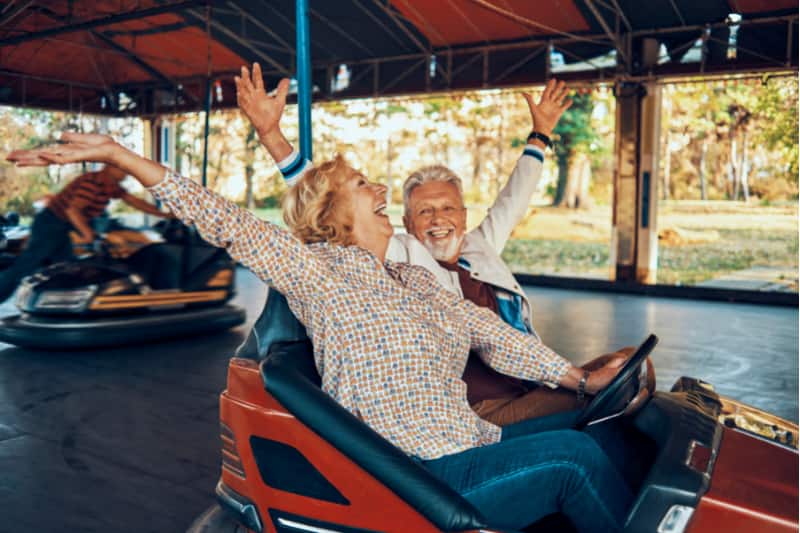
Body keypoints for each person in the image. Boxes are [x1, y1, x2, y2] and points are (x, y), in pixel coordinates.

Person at [8, 132, 633, 531]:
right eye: (365, 186)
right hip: (421, 477)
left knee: (606, 426)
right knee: (576, 459)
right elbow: (222, 220)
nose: (383, 189)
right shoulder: (318, 274)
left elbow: (491, 333)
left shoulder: (412, 280)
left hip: (473, 441)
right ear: (334, 215)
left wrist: (580, 377)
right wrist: (119, 155)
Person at [235, 63, 652, 426]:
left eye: (447, 209)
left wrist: (540, 134)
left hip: (528, 384)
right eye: (424, 212)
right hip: (478, 409)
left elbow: (515, 196)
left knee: (633, 363)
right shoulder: (400, 258)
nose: (437, 220)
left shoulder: (480, 250)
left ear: (464, 216)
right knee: (617, 394)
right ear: (406, 223)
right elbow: (330, 203)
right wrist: (273, 138)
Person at [0, 164, 171, 302]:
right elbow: (72, 211)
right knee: (27, 263)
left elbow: (135, 202)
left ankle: (61, 306)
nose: (127, 174)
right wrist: (88, 233)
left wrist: (165, 215)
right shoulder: (92, 183)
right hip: (50, 223)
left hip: (63, 226)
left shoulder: (111, 186)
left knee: (66, 266)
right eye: (124, 170)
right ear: (110, 168)